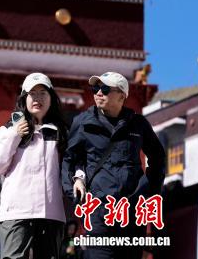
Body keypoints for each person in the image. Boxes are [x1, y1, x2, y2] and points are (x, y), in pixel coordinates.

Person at [62, 71, 165, 259]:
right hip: (99, 213)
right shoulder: (82, 123)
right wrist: (75, 191)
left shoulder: (138, 124)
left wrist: (148, 189)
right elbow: (70, 159)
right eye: (95, 88)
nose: (98, 93)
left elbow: (157, 157)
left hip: (131, 214)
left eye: (105, 88)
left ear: (122, 96)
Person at [0, 72, 68, 259]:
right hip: (17, 211)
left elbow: (71, 166)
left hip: (51, 212)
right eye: (32, 94)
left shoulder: (62, 132)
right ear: (24, 99)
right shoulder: (9, 128)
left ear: (51, 98)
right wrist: (14, 135)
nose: (37, 98)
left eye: (43, 93)